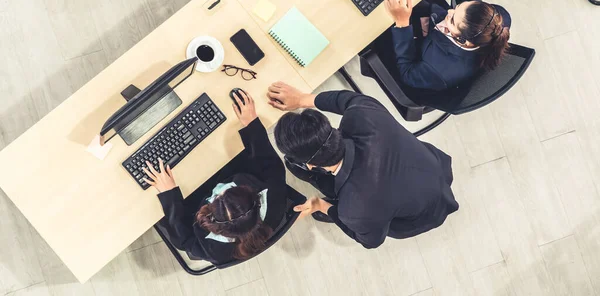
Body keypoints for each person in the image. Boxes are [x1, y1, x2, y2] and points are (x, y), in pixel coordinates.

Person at [267, 82, 459, 249]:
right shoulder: (363, 113)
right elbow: (344, 98)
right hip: (434, 167)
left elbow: (370, 241)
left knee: (298, 171)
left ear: (310, 165)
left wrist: (322, 205)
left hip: (418, 216)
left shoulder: (354, 208)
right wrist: (302, 99)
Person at [143, 91, 287, 264]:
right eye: (227, 192)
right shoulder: (275, 200)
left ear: (216, 225)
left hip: (194, 197)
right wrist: (252, 124)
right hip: (229, 170)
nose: (219, 191)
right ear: (253, 196)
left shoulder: (213, 249)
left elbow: (183, 239)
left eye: (217, 199)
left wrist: (169, 193)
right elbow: (270, 163)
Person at [379, 0, 512, 95]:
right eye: (457, 8)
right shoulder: (499, 19)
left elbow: (408, 73)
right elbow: (471, 5)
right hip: (430, 21)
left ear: (463, 40)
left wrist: (402, 23)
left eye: (453, 20)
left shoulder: (438, 71)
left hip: (411, 48)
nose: (449, 11)